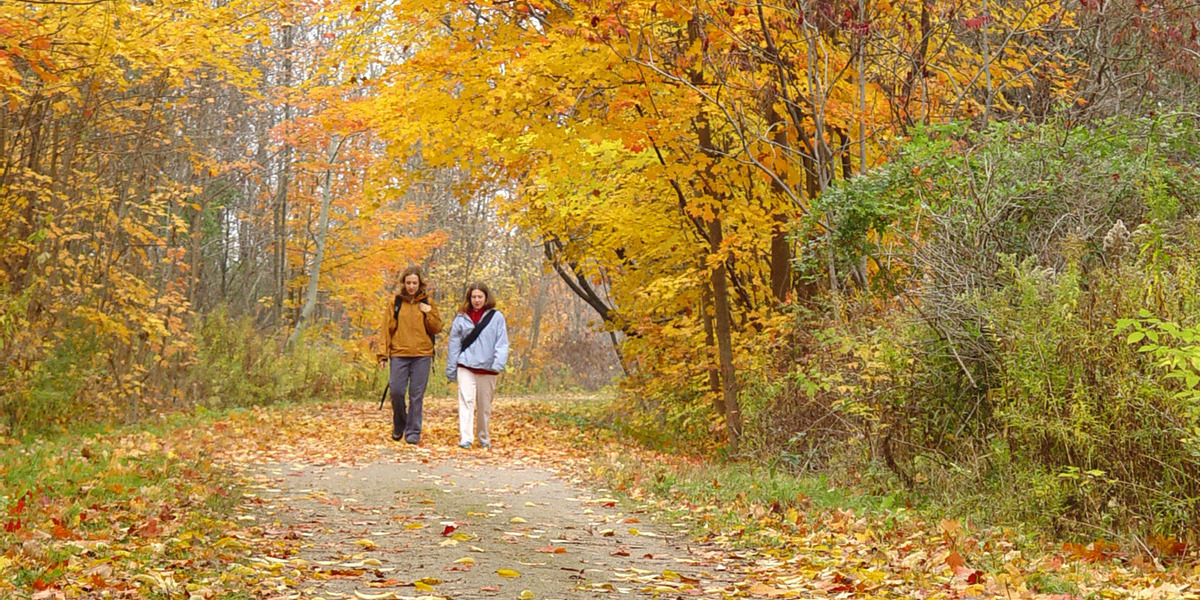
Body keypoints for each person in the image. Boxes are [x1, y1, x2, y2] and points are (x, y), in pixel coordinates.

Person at [377, 266, 442, 444]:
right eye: (408, 283)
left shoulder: (428, 301)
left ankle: (413, 432)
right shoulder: (396, 302)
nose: (411, 286)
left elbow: (437, 328)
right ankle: (400, 424)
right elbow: (386, 329)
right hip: (399, 353)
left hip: (422, 355)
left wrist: (428, 313)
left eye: (415, 283)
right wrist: (382, 354)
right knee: (396, 391)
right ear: (403, 284)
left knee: (416, 395)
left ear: (420, 283)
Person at [445, 282, 509, 449]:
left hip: (488, 368)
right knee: (466, 401)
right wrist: (451, 369)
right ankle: (466, 438)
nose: (477, 300)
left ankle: (484, 437)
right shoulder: (461, 318)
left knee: (484, 406)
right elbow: (454, 345)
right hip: (465, 365)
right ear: (469, 298)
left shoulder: (496, 317)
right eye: (474, 297)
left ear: (486, 297)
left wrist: (498, 363)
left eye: (480, 296)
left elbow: (502, 343)